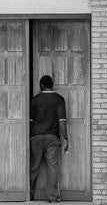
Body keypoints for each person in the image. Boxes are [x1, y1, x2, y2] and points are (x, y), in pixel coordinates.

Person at [28, 74, 68, 203]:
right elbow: (62, 120)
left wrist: (27, 137)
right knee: (53, 167)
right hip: (52, 138)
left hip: (36, 137)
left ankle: (29, 194)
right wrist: (65, 138)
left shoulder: (35, 100)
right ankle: (53, 197)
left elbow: (30, 121)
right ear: (52, 85)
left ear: (41, 86)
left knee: (33, 167)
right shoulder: (59, 99)